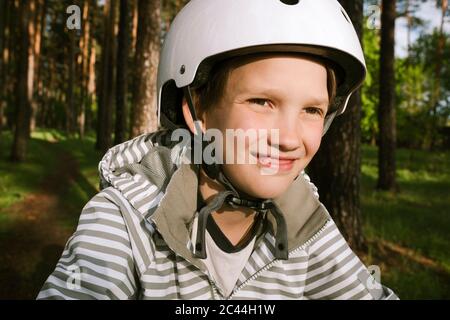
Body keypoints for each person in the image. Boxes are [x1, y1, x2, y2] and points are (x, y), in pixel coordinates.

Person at [37, 0, 398, 300]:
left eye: (312, 110)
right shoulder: (125, 219)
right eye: (262, 102)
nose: (289, 138)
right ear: (198, 108)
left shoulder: (303, 219)